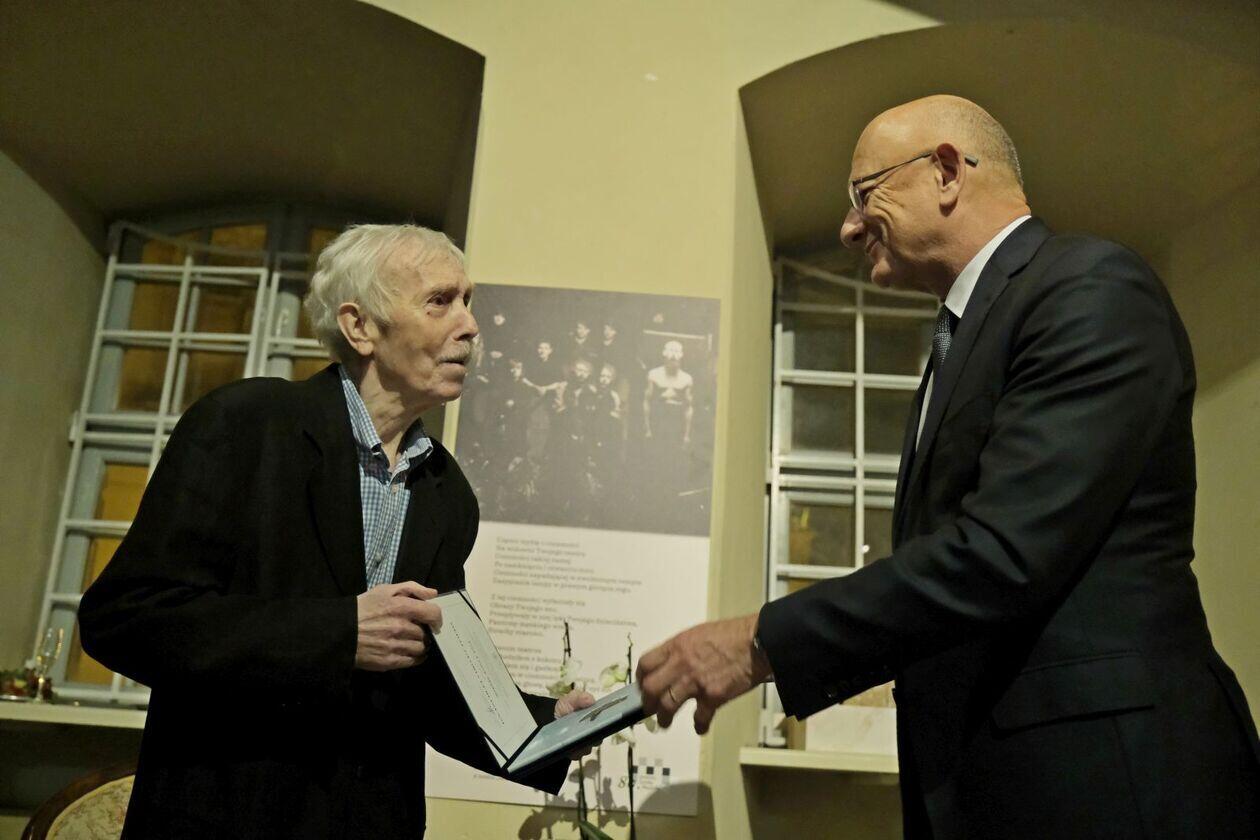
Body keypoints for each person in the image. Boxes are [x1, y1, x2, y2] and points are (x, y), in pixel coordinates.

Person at [636, 95, 1260, 838]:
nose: (848, 228)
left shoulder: (1089, 286)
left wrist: (761, 642)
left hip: (1112, 790)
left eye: (864, 194)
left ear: (945, 172)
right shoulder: (966, 334)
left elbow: (1000, 555)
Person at [79, 224, 594, 840]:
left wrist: (544, 724)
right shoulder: (245, 425)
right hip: (227, 819)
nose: (470, 325)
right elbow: (127, 619)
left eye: (468, 301)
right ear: (360, 327)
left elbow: (423, 680)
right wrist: (339, 632)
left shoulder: (447, 490)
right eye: (440, 301)